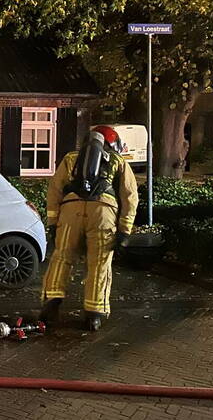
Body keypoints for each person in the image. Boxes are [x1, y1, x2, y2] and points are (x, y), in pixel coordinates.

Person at [39, 125, 138, 331]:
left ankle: (52, 303)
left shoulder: (70, 158)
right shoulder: (119, 162)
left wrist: (53, 224)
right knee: (100, 263)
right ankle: (94, 314)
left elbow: (54, 191)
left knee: (61, 257)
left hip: (70, 211)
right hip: (103, 213)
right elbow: (130, 197)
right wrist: (124, 230)